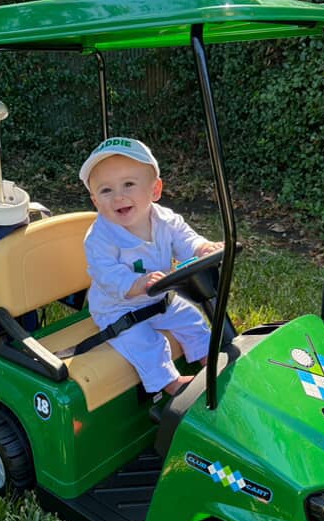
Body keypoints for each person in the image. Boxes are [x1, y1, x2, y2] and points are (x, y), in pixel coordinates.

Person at [79, 137, 223, 396]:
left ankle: (211, 363)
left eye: (129, 184)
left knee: (192, 319)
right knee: (145, 342)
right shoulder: (99, 237)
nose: (118, 196)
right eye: (106, 190)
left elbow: (186, 239)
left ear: (155, 190)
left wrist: (202, 248)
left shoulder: (166, 219)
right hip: (118, 309)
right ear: (95, 201)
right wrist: (136, 284)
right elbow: (106, 274)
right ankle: (171, 385)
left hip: (160, 298)